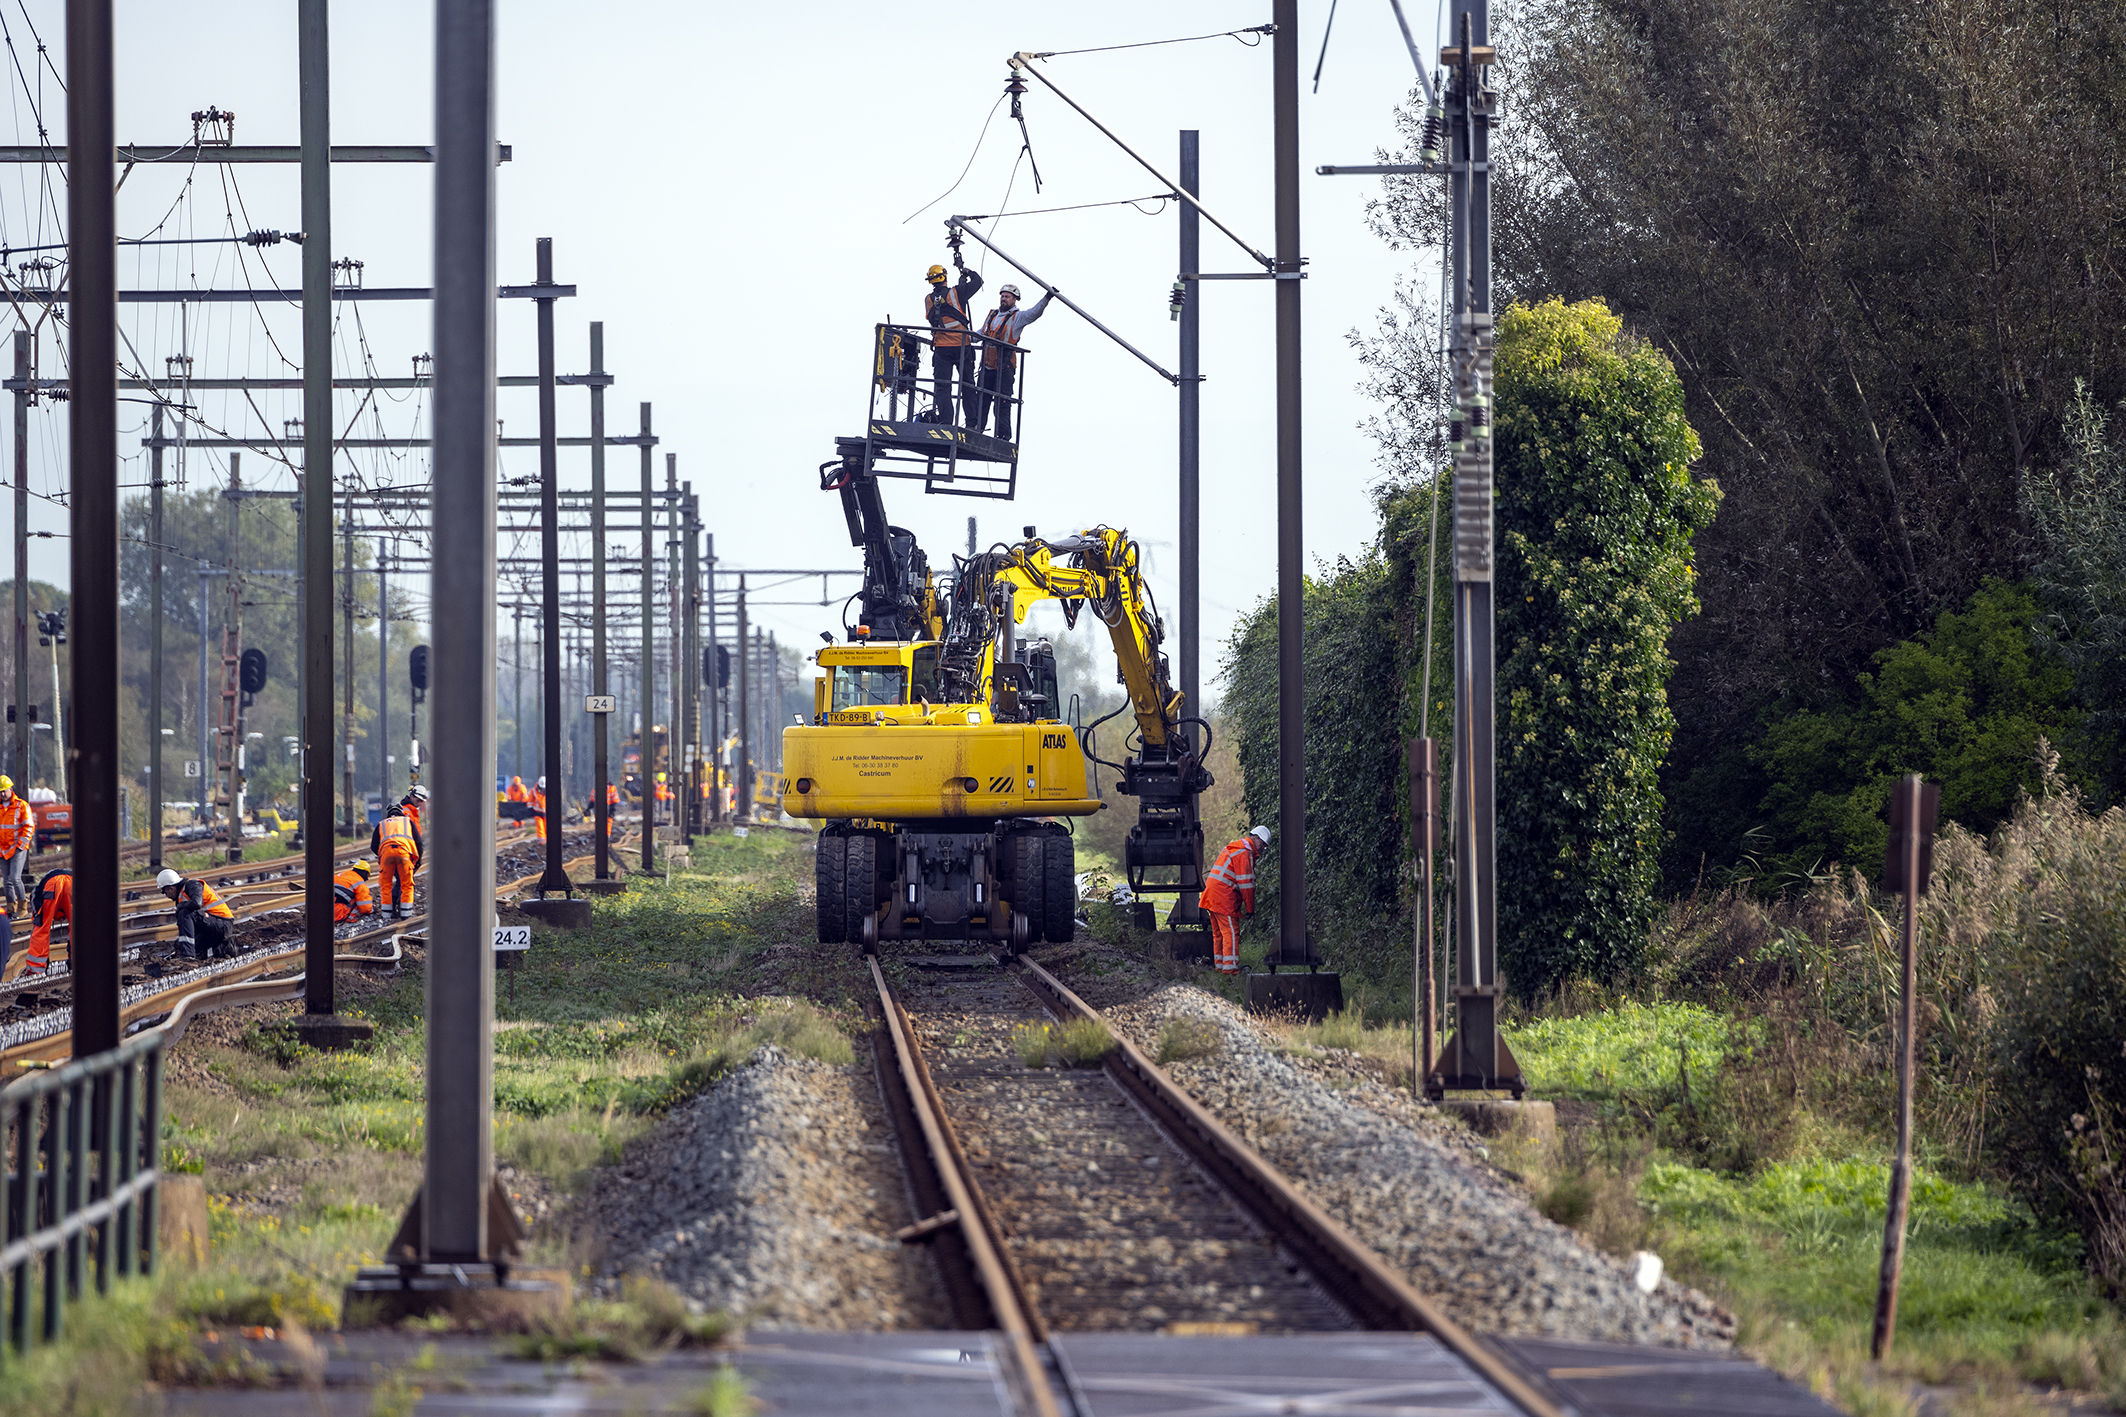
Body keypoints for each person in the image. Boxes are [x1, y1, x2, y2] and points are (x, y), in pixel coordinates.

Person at [973, 283, 1052, 442]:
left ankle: (1003, 436)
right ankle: (977, 429)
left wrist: (1047, 297)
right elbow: (981, 333)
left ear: (1015, 300)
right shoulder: (992, 315)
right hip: (987, 367)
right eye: (1002, 295)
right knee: (981, 400)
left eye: (1007, 296)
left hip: (1004, 369)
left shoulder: (1018, 318)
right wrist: (964, 339)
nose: (1004, 298)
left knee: (1002, 404)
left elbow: (1035, 313)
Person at [1197, 825, 1271, 975]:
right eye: (1262, 843)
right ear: (1255, 838)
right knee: (1231, 933)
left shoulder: (1235, 848)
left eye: (1265, 845)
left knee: (1218, 934)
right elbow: (1246, 886)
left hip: (1212, 896)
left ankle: (1220, 967)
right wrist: (1250, 910)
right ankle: (1230, 970)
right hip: (1224, 898)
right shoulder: (1245, 854)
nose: (1263, 848)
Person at [923, 258, 983, 425]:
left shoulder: (928, 300)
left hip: (942, 348)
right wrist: (967, 273)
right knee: (967, 385)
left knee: (943, 387)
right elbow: (978, 282)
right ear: (945, 277)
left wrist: (961, 284)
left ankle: (946, 422)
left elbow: (933, 318)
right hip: (962, 346)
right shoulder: (956, 293)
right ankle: (972, 423)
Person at [157, 867, 236, 961]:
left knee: (184, 912)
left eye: (165, 892)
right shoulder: (181, 896)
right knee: (181, 944)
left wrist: (181, 906)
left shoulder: (192, 885)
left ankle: (187, 956)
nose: (167, 896)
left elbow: (197, 903)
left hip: (223, 924)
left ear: (171, 888)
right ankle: (222, 947)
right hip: (211, 926)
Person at [3, 866, 68, 979]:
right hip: (72, 885)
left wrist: (39, 919)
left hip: (50, 885)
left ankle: (35, 970)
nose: (61, 920)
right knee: (79, 928)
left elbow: (38, 917)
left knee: (41, 928)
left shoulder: (38, 893)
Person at [370, 804, 422, 919]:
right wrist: (418, 859)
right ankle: (406, 915)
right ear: (401, 812)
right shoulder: (407, 822)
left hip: (386, 854)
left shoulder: (382, 824)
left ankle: (386, 916)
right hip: (404, 853)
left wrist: (382, 855)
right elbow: (418, 842)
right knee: (407, 885)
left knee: (386, 886)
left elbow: (373, 845)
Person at [0, 776, 31, 919]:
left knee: (15, 878)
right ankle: (11, 910)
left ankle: (23, 909)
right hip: (3, 849)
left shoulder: (21, 805)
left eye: (3, 791)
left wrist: (21, 845)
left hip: (17, 848)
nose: (1, 794)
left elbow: (29, 826)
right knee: (6, 880)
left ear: (10, 790)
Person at [532, 775, 548, 843]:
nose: (542, 791)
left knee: (547, 827)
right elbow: (530, 801)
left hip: (547, 813)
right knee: (540, 827)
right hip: (538, 812)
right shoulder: (534, 790)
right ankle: (541, 841)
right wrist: (530, 809)